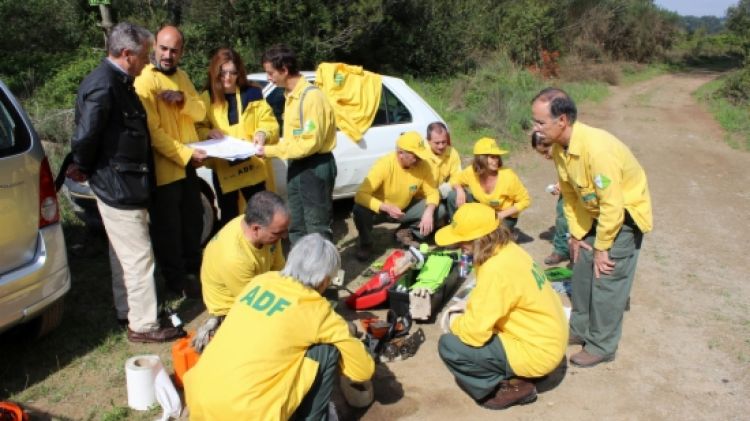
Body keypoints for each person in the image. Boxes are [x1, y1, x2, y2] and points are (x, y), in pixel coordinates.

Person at [68, 22, 185, 343]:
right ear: (125, 54)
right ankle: (145, 325)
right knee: (138, 257)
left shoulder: (119, 81)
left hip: (124, 181)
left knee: (122, 254)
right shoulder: (104, 86)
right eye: (145, 55)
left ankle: (128, 311)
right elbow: (85, 137)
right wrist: (85, 168)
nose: (148, 61)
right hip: (118, 184)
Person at [184, 233, 375, 420]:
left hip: (199, 401)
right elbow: (362, 371)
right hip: (250, 415)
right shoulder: (317, 310)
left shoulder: (260, 281)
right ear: (324, 280)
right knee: (326, 350)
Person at [530, 87, 652, 367]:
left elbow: (613, 205)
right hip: (592, 214)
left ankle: (602, 344)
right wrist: (576, 234)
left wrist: (603, 247)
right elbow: (570, 194)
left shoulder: (597, 149)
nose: (535, 129)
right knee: (582, 273)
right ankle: (580, 329)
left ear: (562, 120)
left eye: (540, 122)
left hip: (623, 217)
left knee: (606, 277)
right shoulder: (561, 149)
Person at [435, 203, 568, 410]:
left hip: (538, 352)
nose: (459, 245)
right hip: (547, 338)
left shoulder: (495, 270)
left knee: (451, 346)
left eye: (463, 241)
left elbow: (473, 334)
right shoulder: (508, 249)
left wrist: (454, 321)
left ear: (478, 239)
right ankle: (515, 370)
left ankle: (504, 389)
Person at [134, 25, 207, 298]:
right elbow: (154, 133)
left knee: (193, 223)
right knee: (169, 230)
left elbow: (199, 112)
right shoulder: (144, 80)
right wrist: (187, 154)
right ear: (154, 47)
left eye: (174, 50)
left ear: (182, 52)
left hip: (188, 166)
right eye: (163, 48)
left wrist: (181, 99)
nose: (168, 55)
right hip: (165, 170)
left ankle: (194, 273)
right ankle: (176, 283)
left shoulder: (183, 77)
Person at [256, 45, 337, 244]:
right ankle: (301, 270)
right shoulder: (289, 96)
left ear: (284, 70)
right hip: (297, 165)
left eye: (271, 73)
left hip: (315, 165)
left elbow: (308, 144)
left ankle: (323, 273)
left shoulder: (311, 97)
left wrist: (269, 150)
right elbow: (295, 139)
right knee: (296, 224)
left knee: (316, 227)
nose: (269, 78)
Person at [196, 47, 280, 229]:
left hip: (253, 167)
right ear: (215, 72)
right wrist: (207, 133)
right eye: (222, 72)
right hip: (224, 171)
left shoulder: (253, 93)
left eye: (232, 73)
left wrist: (262, 133)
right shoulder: (206, 98)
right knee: (230, 219)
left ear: (239, 73)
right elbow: (198, 127)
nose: (227, 78)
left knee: (262, 216)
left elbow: (270, 123)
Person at [352, 131, 441, 261]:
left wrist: (429, 212)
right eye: (415, 155)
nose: (419, 159)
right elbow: (360, 195)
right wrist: (385, 207)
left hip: (404, 209)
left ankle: (405, 232)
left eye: (420, 155)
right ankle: (366, 244)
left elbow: (432, 192)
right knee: (359, 210)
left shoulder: (423, 165)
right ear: (400, 153)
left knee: (439, 209)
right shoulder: (385, 164)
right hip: (380, 211)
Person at [200, 191, 289, 319]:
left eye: (285, 230)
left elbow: (280, 274)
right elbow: (256, 304)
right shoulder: (234, 257)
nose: (284, 236)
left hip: (258, 290)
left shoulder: (269, 230)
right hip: (233, 309)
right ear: (256, 229)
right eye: (278, 233)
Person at [447, 137, 531, 231]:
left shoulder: (508, 176)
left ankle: (505, 234)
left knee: (487, 238)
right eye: (492, 157)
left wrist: (501, 215)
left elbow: (525, 200)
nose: (496, 161)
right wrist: (459, 189)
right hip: (482, 211)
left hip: (503, 216)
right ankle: (455, 229)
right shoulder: (471, 172)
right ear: (481, 158)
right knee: (452, 196)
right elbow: (454, 180)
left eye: (497, 157)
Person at [531, 131, 570, 265]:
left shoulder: (568, 150)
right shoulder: (558, 156)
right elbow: (564, 174)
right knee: (562, 215)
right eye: (542, 154)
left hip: (583, 190)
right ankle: (561, 250)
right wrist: (559, 185)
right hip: (568, 189)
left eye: (546, 151)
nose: (546, 156)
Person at [424, 121, 462, 213]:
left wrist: (458, 188)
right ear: (428, 141)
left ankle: (455, 223)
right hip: (424, 194)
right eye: (437, 143)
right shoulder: (421, 154)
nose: (441, 146)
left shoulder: (452, 152)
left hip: (442, 189)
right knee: (440, 212)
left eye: (444, 142)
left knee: (458, 194)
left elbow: (457, 176)